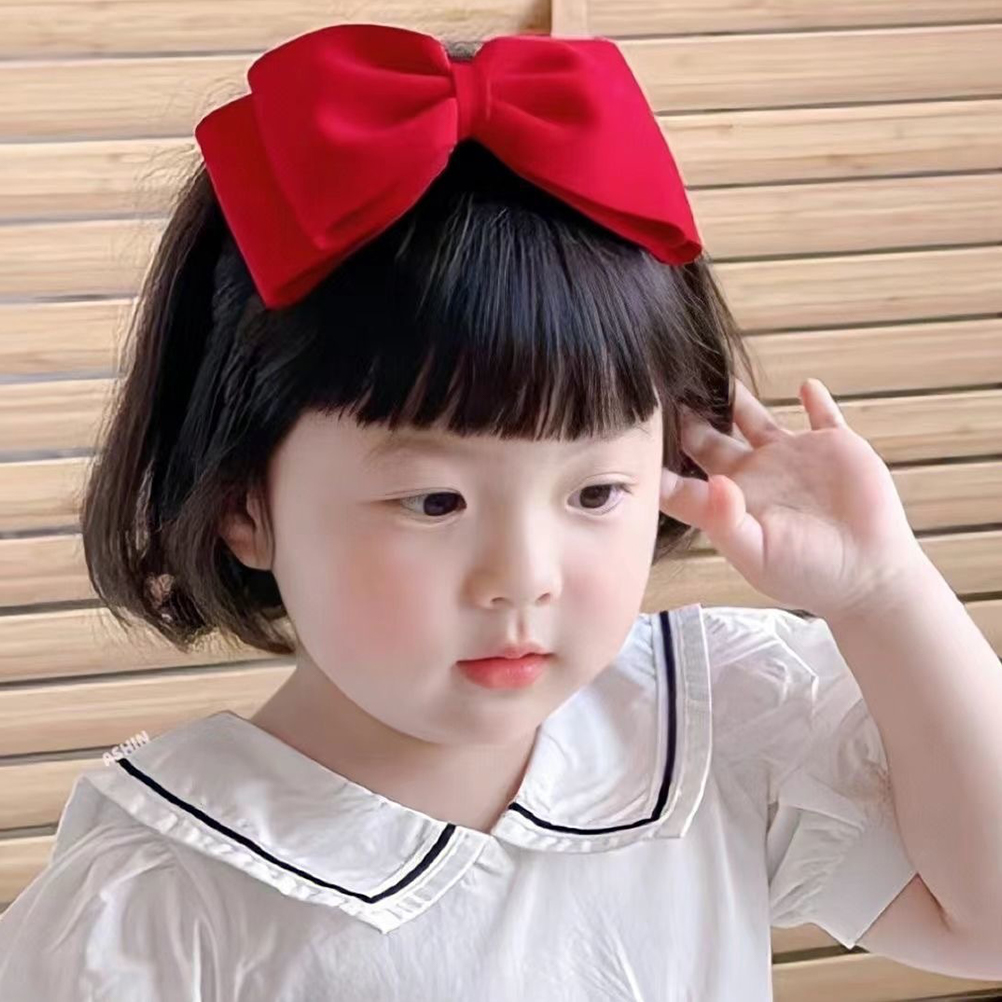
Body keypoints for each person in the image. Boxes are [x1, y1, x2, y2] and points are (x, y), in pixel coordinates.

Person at [0, 21, 998, 1002]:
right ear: (242, 503)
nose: (524, 576)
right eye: (435, 500)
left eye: (596, 492)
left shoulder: (709, 732)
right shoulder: (165, 895)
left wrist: (883, 594)